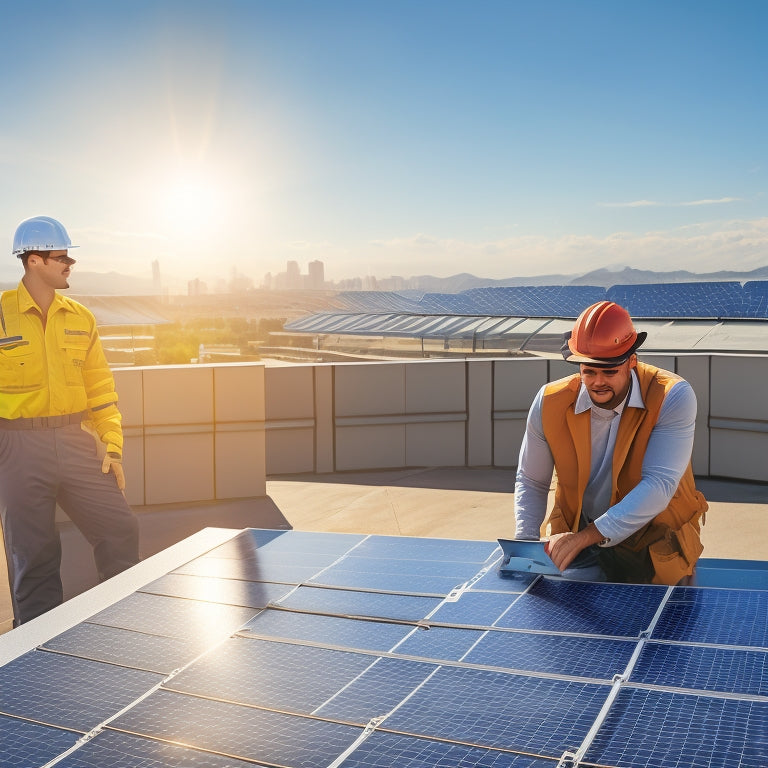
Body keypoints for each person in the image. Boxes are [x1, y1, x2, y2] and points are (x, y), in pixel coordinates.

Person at [0, 215, 139, 624]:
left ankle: (124, 625)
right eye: (62, 257)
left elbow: (100, 387)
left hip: (77, 440)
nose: (69, 264)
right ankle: (38, 651)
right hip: (18, 447)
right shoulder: (2, 315)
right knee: (33, 554)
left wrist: (111, 443)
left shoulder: (80, 317)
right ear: (34, 262)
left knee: (120, 529)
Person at [513, 300, 708, 585]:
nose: (598, 382)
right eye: (588, 371)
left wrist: (585, 537)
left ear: (632, 361)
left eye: (609, 371)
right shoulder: (549, 402)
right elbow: (532, 480)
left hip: (654, 545)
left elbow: (659, 485)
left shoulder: (672, 397)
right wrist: (525, 543)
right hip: (577, 546)